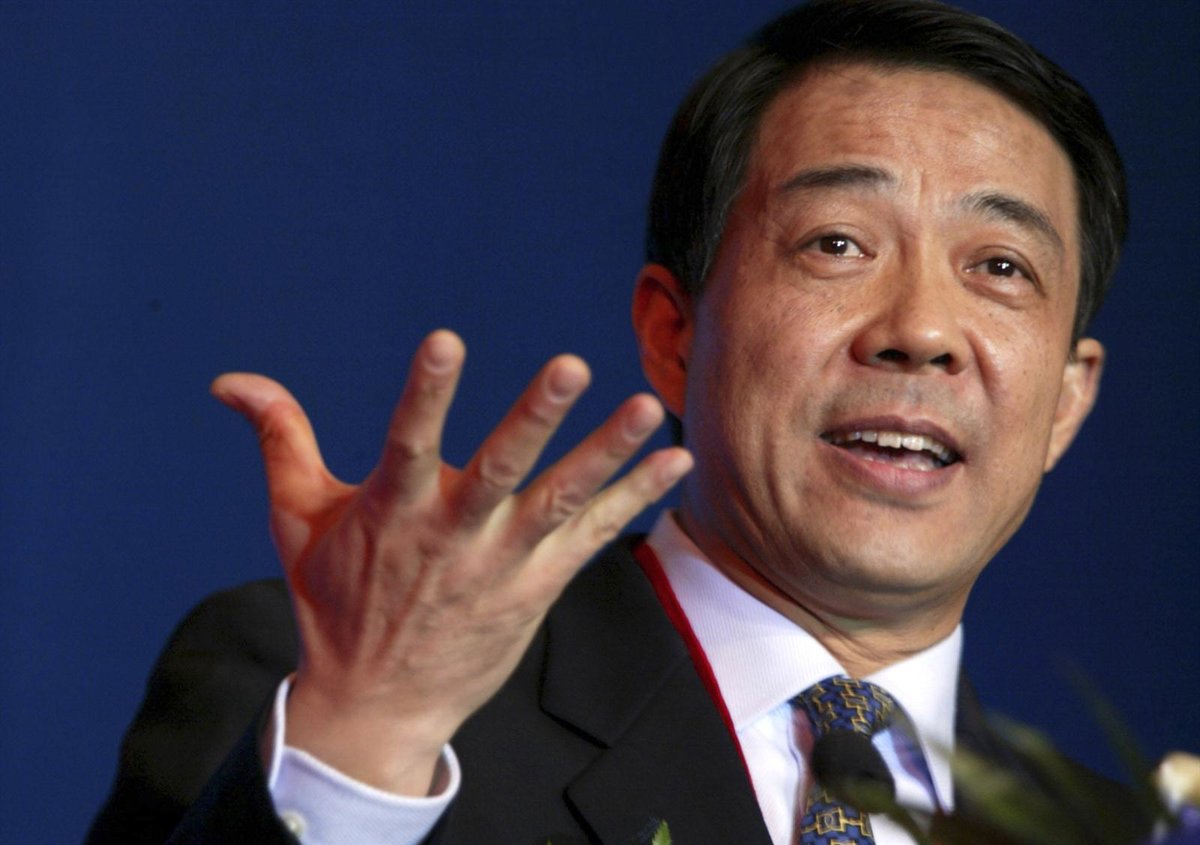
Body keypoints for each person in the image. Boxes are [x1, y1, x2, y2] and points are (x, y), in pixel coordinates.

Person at [87, 1, 1145, 843]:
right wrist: (362, 742)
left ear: (1067, 399)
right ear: (673, 333)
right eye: (836, 243)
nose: (921, 330)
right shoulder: (323, 695)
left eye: (1000, 266)